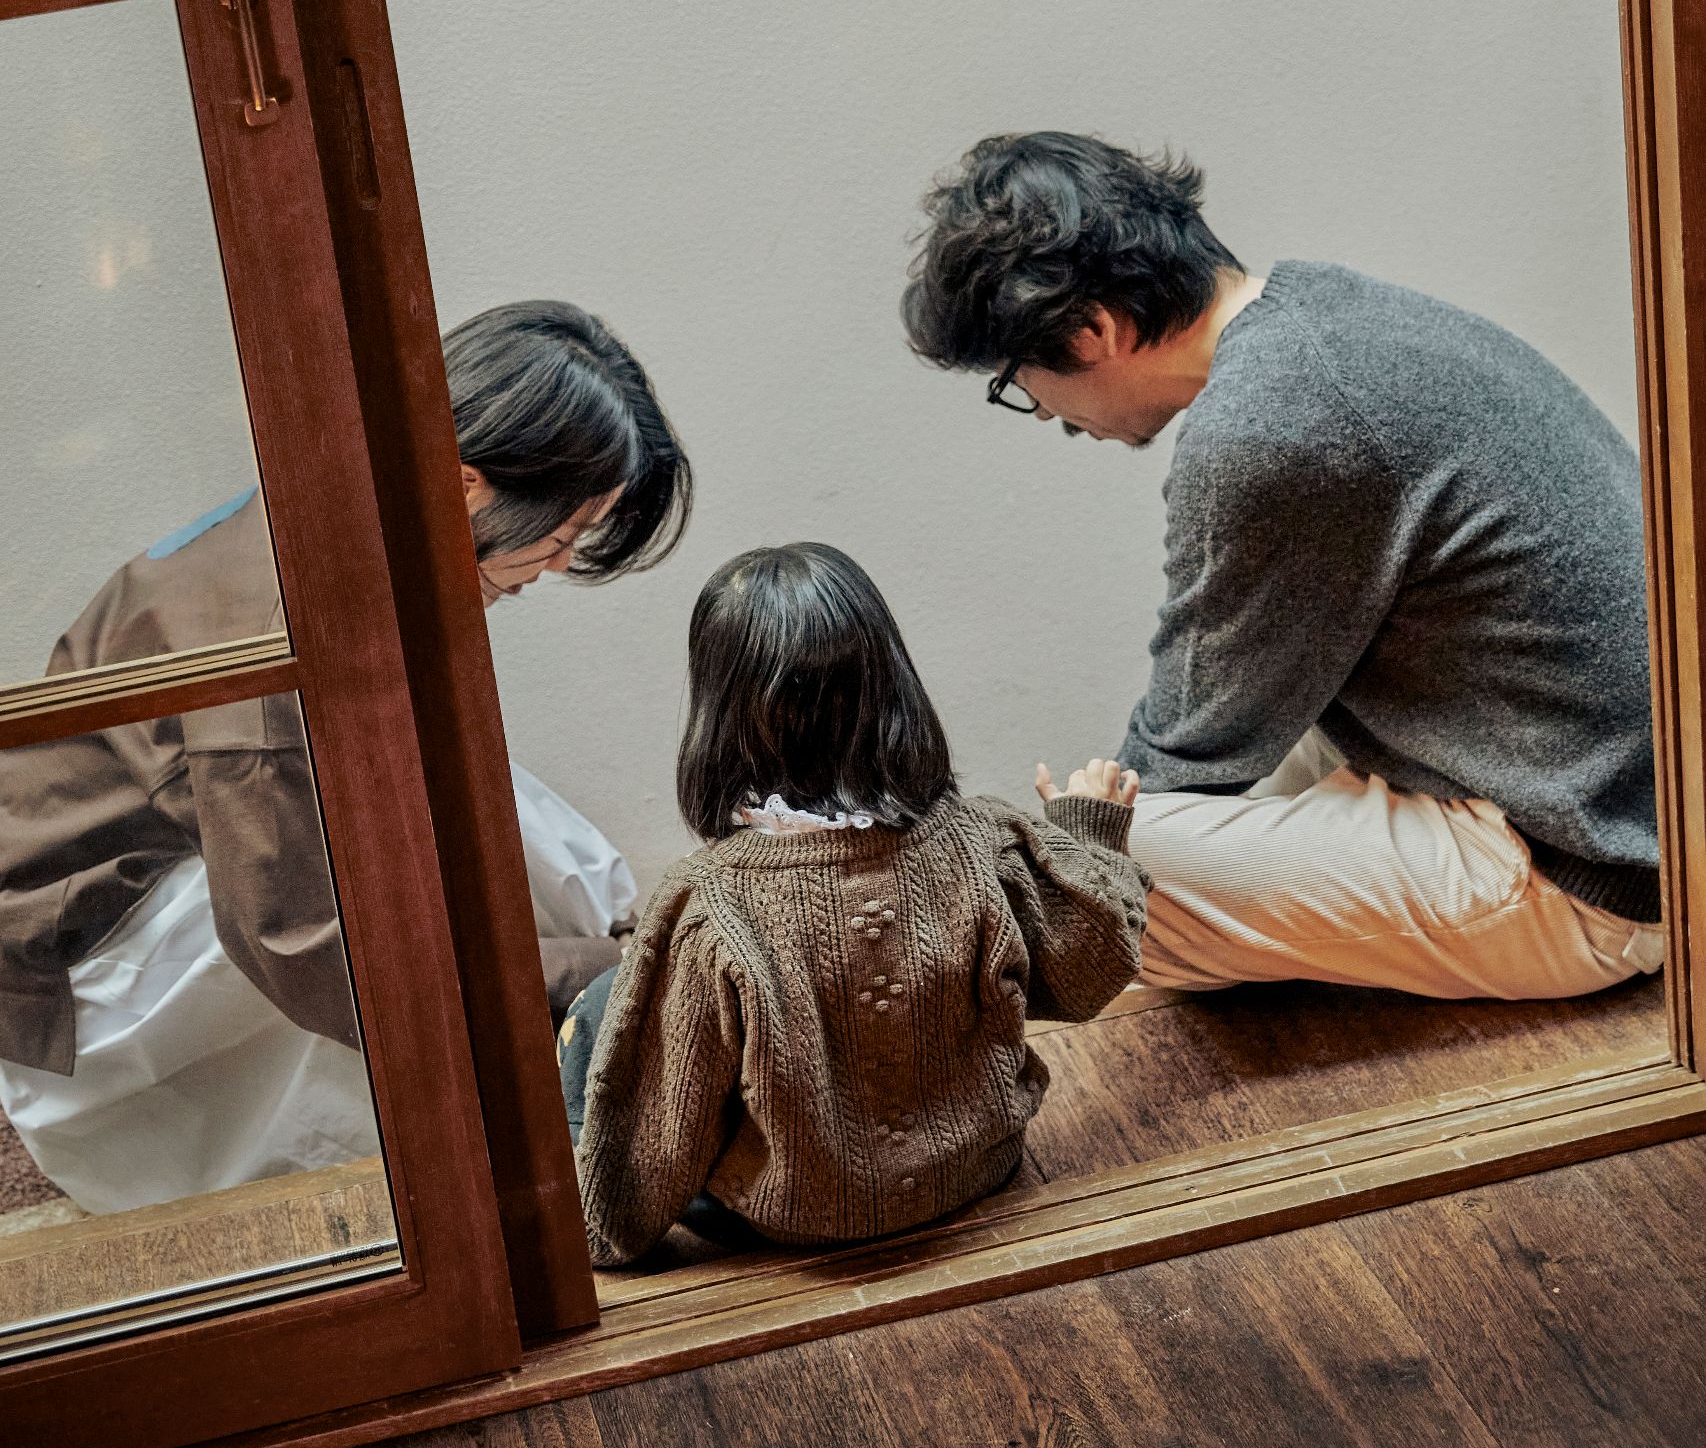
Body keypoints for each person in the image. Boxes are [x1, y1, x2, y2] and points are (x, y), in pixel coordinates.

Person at [902, 131, 1664, 1002]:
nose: (1043, 414)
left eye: (1018, 380)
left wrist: (1085, 825)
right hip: (1624, 803)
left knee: (1078, 877)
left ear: (1092, 330)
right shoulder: (1332, 311)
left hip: (1588, 874)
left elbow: (1193, 748)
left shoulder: (1265, 429)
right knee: (1125, 835)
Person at [0, 299, 689, 1214]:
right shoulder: (277, 631)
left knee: (463, 791)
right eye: (560, 539)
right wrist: (578, 972)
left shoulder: (339, 511)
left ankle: (617, 983)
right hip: (84, 977)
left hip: (180, 870)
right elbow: (299, 937)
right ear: (467, 485)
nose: (557, 567)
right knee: (375, 915)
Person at [558, 541, 1147, 1267]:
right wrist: (1089, 835)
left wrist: (606, 1235)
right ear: (895, 684)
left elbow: (664, 1124)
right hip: (978, 1169)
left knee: (608, 999)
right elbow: (1089, 972)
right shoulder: (982, 841)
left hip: (797, 1218)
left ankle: (587, 1197)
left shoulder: (707, 907)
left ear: (719, 714)